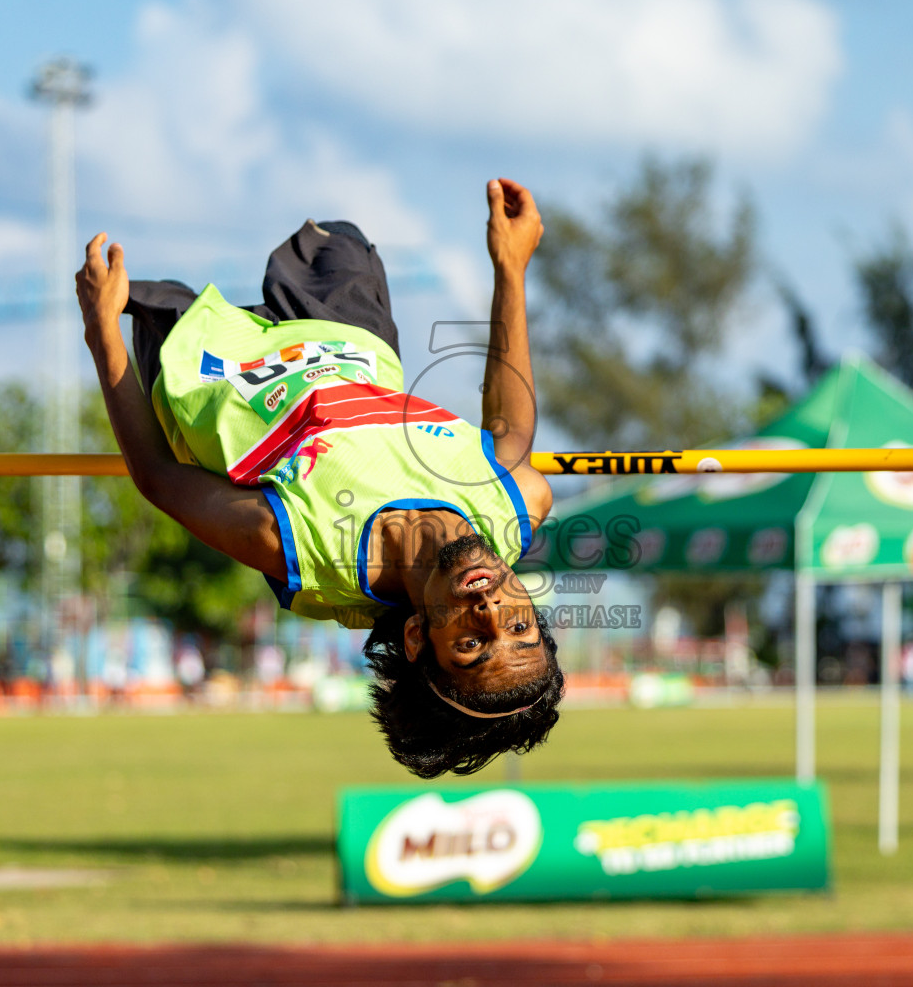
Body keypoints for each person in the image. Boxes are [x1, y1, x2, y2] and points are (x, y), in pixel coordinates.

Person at [75, 178, 564, 777]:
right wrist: (510, 266)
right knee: (339, 236)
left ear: (416, 639)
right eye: (518, 626)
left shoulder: (306, 551)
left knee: (128, 290)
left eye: (470, 644)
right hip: (348, 337)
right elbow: (510, 429)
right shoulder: (516, 502)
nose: (490, 610)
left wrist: (101, 336)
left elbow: (156, 477)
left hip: (213, 371)